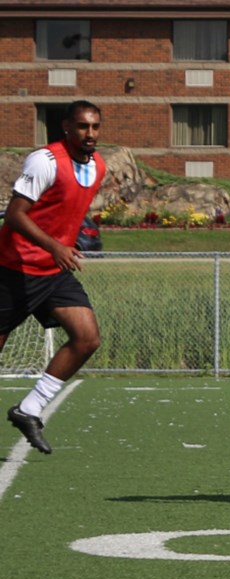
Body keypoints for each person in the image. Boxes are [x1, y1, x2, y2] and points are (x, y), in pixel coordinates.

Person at [2, 100, 105, 455]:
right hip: (14, 271)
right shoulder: (44, 161)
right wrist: (55, 246)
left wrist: (64, 243)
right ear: (66, 127)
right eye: (82, 126)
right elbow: (15, 215)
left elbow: (64, 210)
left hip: (53, 272)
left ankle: (28, 409)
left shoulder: (99, 165)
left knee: (87, 337)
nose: (89, 134)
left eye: (94, 127)